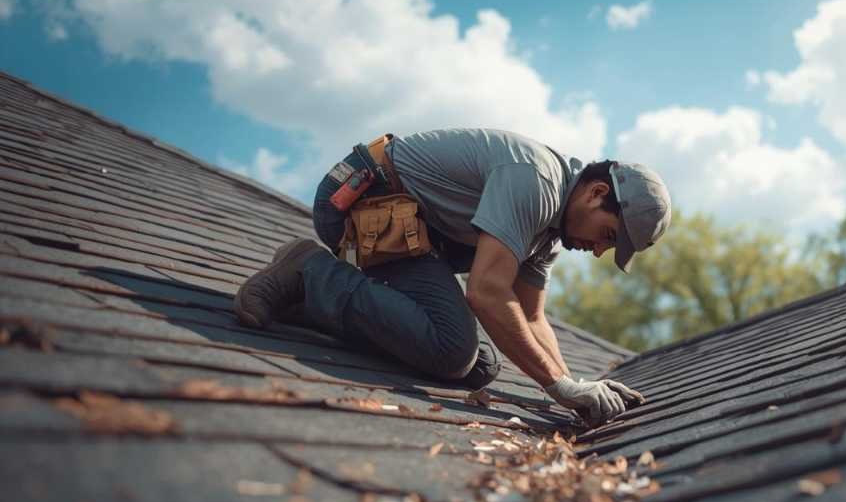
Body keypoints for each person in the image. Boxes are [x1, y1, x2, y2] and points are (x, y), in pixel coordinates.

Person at [232, 129, 671, 425]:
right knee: (451, 348)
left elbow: (533, 319)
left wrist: (576, 385)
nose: (597, 251)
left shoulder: (549, 234)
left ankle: (308, 302)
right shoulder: (535, 181)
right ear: (596, 193)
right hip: (363, 200)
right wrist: (557, 385)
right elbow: (486, 292)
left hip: (419, 233)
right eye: (607, 236)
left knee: (480, 366)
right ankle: (309, 269)